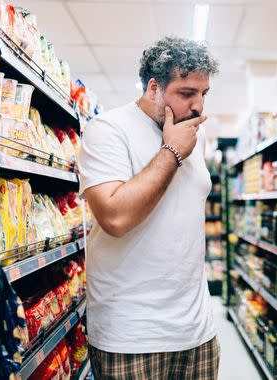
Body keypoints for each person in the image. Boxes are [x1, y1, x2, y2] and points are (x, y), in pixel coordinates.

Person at [78, 36, 220, 379]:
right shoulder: (107, 130)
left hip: (197, 331)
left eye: (204, 93)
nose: (198, 106)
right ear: (154, 88)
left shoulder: (194, 137)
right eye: (187, 93)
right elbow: (114, 217)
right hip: (130, 335)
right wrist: (171, 152)